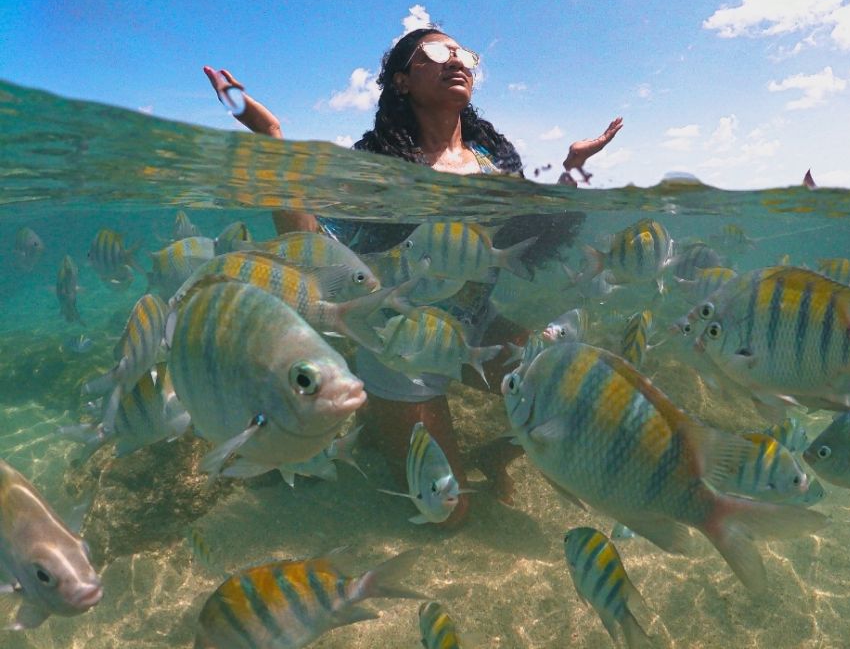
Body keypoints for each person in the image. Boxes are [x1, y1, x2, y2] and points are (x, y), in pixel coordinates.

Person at [204, 27, 621, 525]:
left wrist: (572, 169)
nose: (456, 61)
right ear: (401, 81)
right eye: (437, 53)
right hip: (402, 349)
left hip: (476, 329)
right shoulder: (379, 170)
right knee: (451, 513)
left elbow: (537, 238)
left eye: (463, 53)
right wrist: (272, 142)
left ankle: (490, 455)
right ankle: (379, 429)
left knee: (584, 405)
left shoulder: (492, 166)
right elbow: (312, 248)